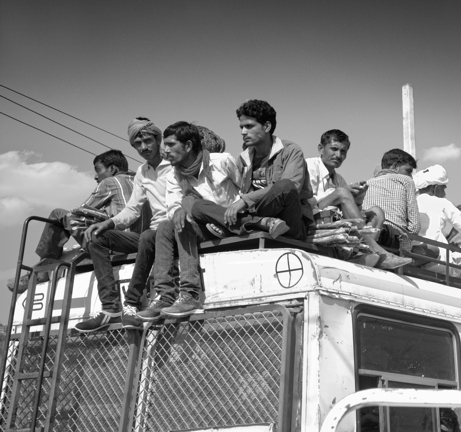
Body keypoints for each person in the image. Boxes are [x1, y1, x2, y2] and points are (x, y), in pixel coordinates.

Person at [75, 118, 175, 332]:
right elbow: (132, 210)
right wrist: (109, 223)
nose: (143, 148)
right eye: (137, 144)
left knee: (150, 235)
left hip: (175, 230)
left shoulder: (175, 165)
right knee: (97, 237)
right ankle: (110, 308)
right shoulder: (141, 172)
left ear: (158, 139)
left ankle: (132, 303)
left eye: (147, 141)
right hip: (151, 234)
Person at [137, 121, 243, 320]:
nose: (164, 151)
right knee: (169, 224)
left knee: (190, 204)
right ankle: (171, 296)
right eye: (164, 145)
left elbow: (245, 190)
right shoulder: (173, 175)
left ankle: (189, 293)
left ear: (187, 146)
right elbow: (172, 205)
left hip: (232, 223)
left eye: (170, 145)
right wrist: (179, 209)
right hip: (201, 229)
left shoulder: (222, 162)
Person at [7, 149, 135, 295]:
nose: (95, 176)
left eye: (98, 170)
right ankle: (42, 267)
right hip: (136, 241)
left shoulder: (109, 182)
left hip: (113, 242)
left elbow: (82, 210)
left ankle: (42, 269)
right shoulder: (140, 181)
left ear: (112, 169)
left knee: (59, 214)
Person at [193, 99, 312, 241]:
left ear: (267, 126)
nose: (243, 132)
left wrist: (245, 200)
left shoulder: (291, 151)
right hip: (258, 218)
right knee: (197, 206)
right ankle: (255, 224)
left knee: (285, 185)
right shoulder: (243, 158)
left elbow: (291, 188)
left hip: (289, 222)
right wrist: (230, 209)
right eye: (241, 127)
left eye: (249, 126)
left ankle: (238, 226)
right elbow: (236, 192)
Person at [306, 129, 411, 269]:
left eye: (343, 151)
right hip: (312, 217)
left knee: (376, 212)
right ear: (321, 149)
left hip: (336, 219)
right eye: (334, 149)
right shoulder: (310, 166)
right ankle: (378, 252)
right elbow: (308, 201)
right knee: (342, 192)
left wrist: (358, 199)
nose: (338, 155)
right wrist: (338, 193)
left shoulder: (339, 179)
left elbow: (353, 214)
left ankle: (362, 252)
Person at [362, 148, 420, 252]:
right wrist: (407, 239)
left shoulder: (367, 183)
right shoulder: (406, 180)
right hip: (393, 237)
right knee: (434, 250)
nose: (411, 176)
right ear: (395, 166)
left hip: (368, 231)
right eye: (408, 171)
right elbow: (414, 226)